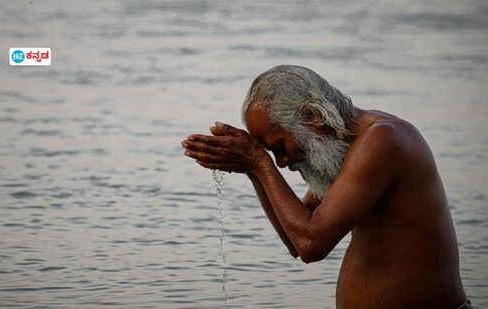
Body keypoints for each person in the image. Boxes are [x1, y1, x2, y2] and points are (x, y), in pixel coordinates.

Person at [181, 65, 471, 309]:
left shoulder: (384, 140)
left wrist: (259, 163)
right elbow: (295, 239)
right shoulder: (345, 148)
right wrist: (252, 169)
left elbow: (312, 244)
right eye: (272, 154)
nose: (281, 162)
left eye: (280, 146)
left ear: (313, 117)